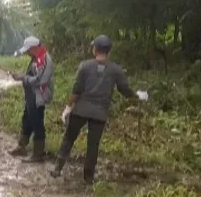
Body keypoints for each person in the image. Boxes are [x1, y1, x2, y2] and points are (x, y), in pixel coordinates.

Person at [52, 35, 148, 183]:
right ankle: (88, 178)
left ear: (94, 50)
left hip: (81, 109)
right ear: (109, 52)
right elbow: (125, 90)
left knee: (69, 138)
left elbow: (76, 90)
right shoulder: (115, 70)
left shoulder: (84, 66)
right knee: (93, 145)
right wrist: (138, 96)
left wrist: (68, 107)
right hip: (100, 113)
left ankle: (57, 168)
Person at [8, 36, 55, 161]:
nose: (27, 53)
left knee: (36, 121)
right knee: (27, 119)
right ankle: (22, 146)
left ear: (34, 48)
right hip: (32, 94)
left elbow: (40, 80)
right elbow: (33, 75)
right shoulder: (37, 57)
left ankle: (38, 154)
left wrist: (23, 78)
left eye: (28, 50)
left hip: (39, 94)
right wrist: (24, 76)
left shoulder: (44, 59)